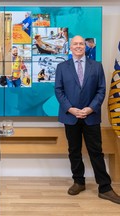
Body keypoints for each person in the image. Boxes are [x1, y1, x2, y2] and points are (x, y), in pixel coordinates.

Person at [55, 35, 120, 204]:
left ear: (86, 46)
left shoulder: (96, 66)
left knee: (96, 152)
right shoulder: (62, 67)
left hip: (91, 117)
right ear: (70, 47)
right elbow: (59, 91)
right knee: (74, 151)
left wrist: (90, 109)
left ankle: (105, 188)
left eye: (81, 44)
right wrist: (71, 109)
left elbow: (101, 90)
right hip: (70, 116)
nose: (78, 46)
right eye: (75, 44)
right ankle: (79, 182)